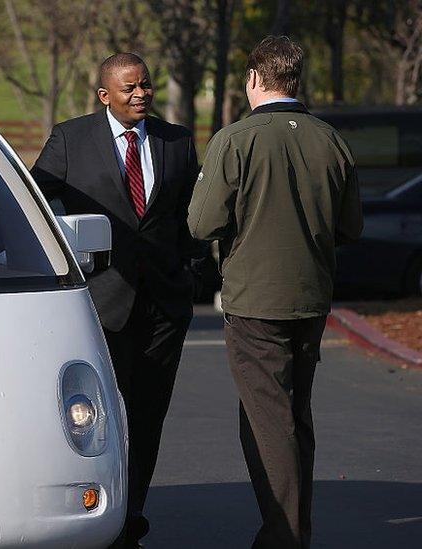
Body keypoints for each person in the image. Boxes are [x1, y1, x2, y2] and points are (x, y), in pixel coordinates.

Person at [0, 53, 202, 548]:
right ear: (105, 95)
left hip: (164, 307)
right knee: (105, 417)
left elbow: (190, 219)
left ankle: (132, 515)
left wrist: (194, 272)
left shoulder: (176, 143)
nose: (141, 95)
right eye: (130, 88)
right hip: (103, 306)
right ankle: (105, 513)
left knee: (149, 414)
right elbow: (29, 200)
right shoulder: (72, 140)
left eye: (146, 86)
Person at [187, 36, 362, 549]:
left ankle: (285, 536)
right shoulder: (331, 140)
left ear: (255, 79)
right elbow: (350, 227)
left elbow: (202, 222)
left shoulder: (236, 139)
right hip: (311, 295)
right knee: (293, 415)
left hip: (254, 299)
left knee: (268, 421)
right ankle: (294, 526)